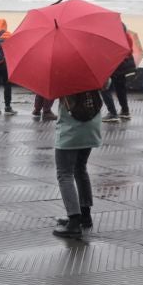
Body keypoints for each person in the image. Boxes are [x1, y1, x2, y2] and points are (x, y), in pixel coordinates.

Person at [52, 91, 102, 238]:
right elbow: (106, 84)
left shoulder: (61, 74)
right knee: (80, 169)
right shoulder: (92, 70)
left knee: (64, 173)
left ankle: (74, 221)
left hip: (70, 130)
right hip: (91, 127)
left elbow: (49, 93)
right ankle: (85, 216)